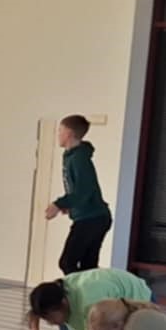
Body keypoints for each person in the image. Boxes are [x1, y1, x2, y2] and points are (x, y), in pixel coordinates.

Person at [43, 114, 111, 274]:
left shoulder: (79, 158)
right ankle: (90, 289)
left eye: (60, 130)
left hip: (92, 218)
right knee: (88, 267)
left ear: (69, 133)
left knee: (67, 262)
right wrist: (70, 206)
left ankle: (79, 289)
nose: (58, 134)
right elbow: (79, 190)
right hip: (94, 217)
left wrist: (58, 204)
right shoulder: (72, 156)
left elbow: (84, 190)